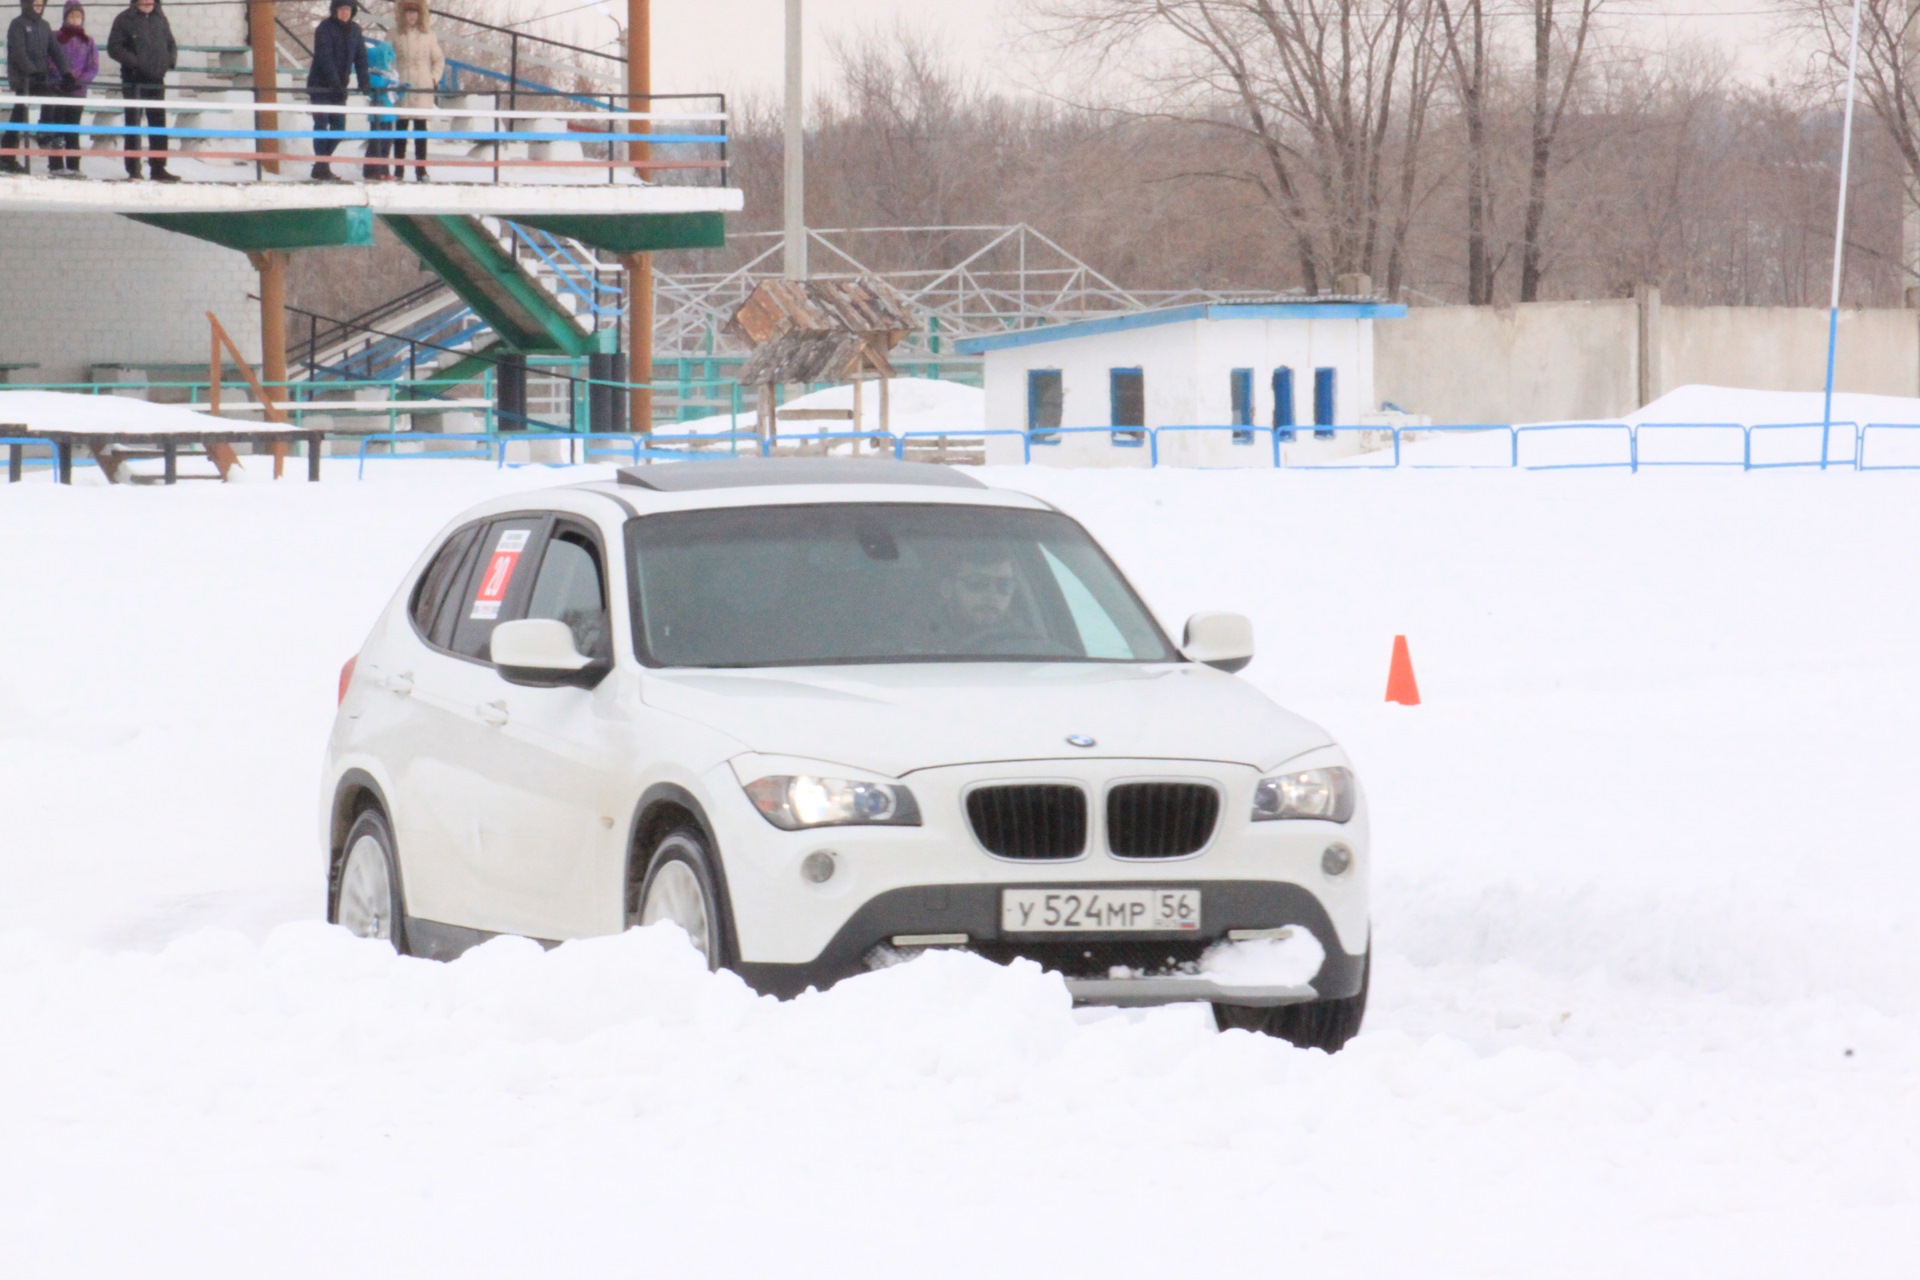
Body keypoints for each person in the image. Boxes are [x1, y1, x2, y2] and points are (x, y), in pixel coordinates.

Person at [105, 0, 175, 182]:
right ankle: (133, 168)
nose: (147, 2)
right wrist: (136, 63)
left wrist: (168, 61)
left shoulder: (160, 19)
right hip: (133, 80)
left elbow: (171, 43)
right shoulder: (123, 19)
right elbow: (114, 47)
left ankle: (158, 168)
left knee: (158, 124)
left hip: (156, 80)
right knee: (134, 123)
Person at [306, 0, 368, 181]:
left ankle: (321, 165)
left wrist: (364, 81)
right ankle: (322, 166)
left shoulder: (355, 30)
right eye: (341, 9)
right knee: (321, 124)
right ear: (335, 11)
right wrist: (335, 83)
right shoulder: (324, 28)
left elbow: (361, 57)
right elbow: (324, 57)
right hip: (320, 85)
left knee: (339, 128)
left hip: (339, 87)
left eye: (348, 9)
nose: (344, 13)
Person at [2, 0, 57, 176]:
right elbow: (18, 52)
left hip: (39, 78)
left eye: (42, 5)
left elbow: (54, 50)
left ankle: (45, 133)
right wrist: (32, 72)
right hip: (23, 79)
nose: (39, 8)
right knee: (19, 115)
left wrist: (67, 71)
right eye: (36, 4)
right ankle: (7, 155)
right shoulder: (17, 25)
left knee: (51, 98)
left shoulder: (44, 26)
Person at [390, 0, 441, 181]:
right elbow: (386, 58)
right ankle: (398, 169)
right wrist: (392, 79)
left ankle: (421, 170)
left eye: (415, 13)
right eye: (409, 12)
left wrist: (433, 78)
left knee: (420, 129)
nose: (412, 16)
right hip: (402, 85)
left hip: (422, 87)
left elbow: (439, 59)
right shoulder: (394, 34)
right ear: (403, 15)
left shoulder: (428, 35)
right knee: (401, 129)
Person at [45, 2, 97, 177]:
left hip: (77, 92)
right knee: (57, 128)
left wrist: (79, 81)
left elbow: (93, 67)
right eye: (71, 16)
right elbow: (50, 61)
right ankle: (55, 164)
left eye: (78, 16)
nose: (75, 20)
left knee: (72, 129)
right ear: (65, 17)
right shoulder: (56, 37)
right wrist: (61, 79)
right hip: (58, 90)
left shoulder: (88, 41)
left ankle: (74, 165)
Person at [363, 23, 395, 180]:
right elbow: (372, 89)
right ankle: (371, 170)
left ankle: (384, 169)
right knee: (377, 141)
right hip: (378, 114)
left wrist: (399, 89)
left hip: (388, 113)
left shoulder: (389, 76)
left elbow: (393, 95)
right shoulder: (374, 76)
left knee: (387, 142)